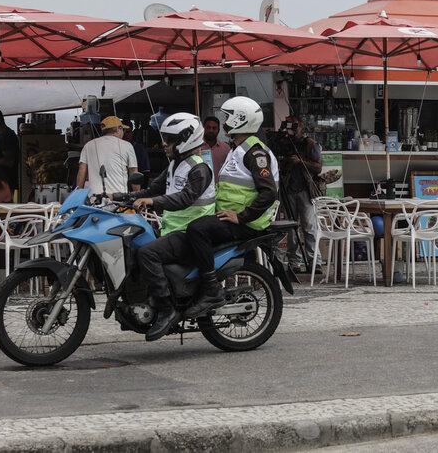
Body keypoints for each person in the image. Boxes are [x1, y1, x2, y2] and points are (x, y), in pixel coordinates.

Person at [117, 113, 216, 341]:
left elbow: (184, 198)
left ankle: (166, 308)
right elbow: (153, 189)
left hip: (190, 233)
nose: (164, 144)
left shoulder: (200, 169)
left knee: (147, 254)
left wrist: (152, 202)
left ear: (186, 139)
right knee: (133, 247)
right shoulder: (175, 165)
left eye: (169, 139)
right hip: (173, 230)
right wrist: (120, 196)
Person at [184, 97, 279, 318]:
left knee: (197, 230)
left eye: (227, 116)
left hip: (248, 222)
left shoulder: (255, 153)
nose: (224, 121)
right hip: (231, 217)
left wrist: (242, 217)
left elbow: (269, 192)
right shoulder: (237, 149)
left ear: (240, 119)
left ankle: (210, 291)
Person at [272, 115, 321, 271]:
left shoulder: (309, 144)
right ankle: (295, 261)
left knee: (309, 226)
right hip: (289, 189)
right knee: (291, 227)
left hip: (305, 190)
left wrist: (301, 162)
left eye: (294, 126)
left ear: (301, 127)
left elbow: (318, 167)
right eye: (288, 125)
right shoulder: (284, 143)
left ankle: (315, 261)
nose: (291, 129)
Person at [76, 116, 139, 195]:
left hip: (94, 200)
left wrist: (78, 195)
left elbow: (82, 171)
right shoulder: (127, 146)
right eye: (123, 129)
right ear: (118, 129)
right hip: (118, 199)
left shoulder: (89, 145)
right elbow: (134, 172)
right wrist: (137, 195)